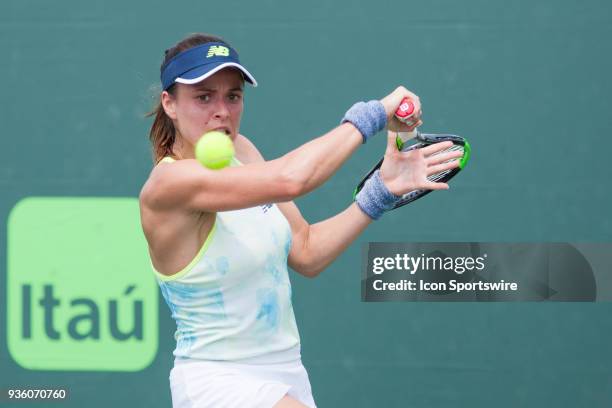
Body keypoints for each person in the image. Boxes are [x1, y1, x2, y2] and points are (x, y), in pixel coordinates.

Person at [139, 33, 461, 408]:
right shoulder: (170, 183)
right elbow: (293, 178)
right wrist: (373, 113)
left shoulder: (242, 151)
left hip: (287, 372)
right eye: (203, 96)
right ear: (170, 104)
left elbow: (306, 250)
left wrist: (380, 192)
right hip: (217, 381)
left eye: (233, 95)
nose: (222, 110)